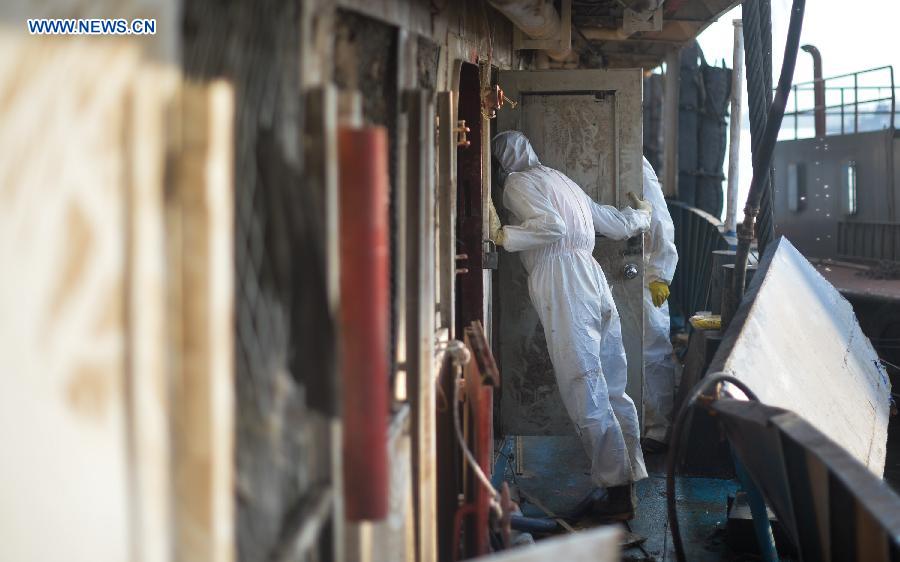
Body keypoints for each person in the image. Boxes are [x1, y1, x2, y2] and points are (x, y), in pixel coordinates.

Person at [489, 131, 652, 519]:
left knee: (584, 384)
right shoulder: (561, 180)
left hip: (563, 279)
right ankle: (628, 478)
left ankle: (615, 493)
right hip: (593, 277)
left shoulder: (516, 183)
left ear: (499, 166)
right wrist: (642, 216)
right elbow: (610, 221)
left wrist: (503, 235)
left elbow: (551, 228)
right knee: (612, 383)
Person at [640, 157, 678, 452]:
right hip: (633, 271)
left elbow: (659, 221)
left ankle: (659, 429)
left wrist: (660, 274)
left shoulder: (636, 166)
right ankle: (643, 424)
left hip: (645, 273)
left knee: (652, 348)